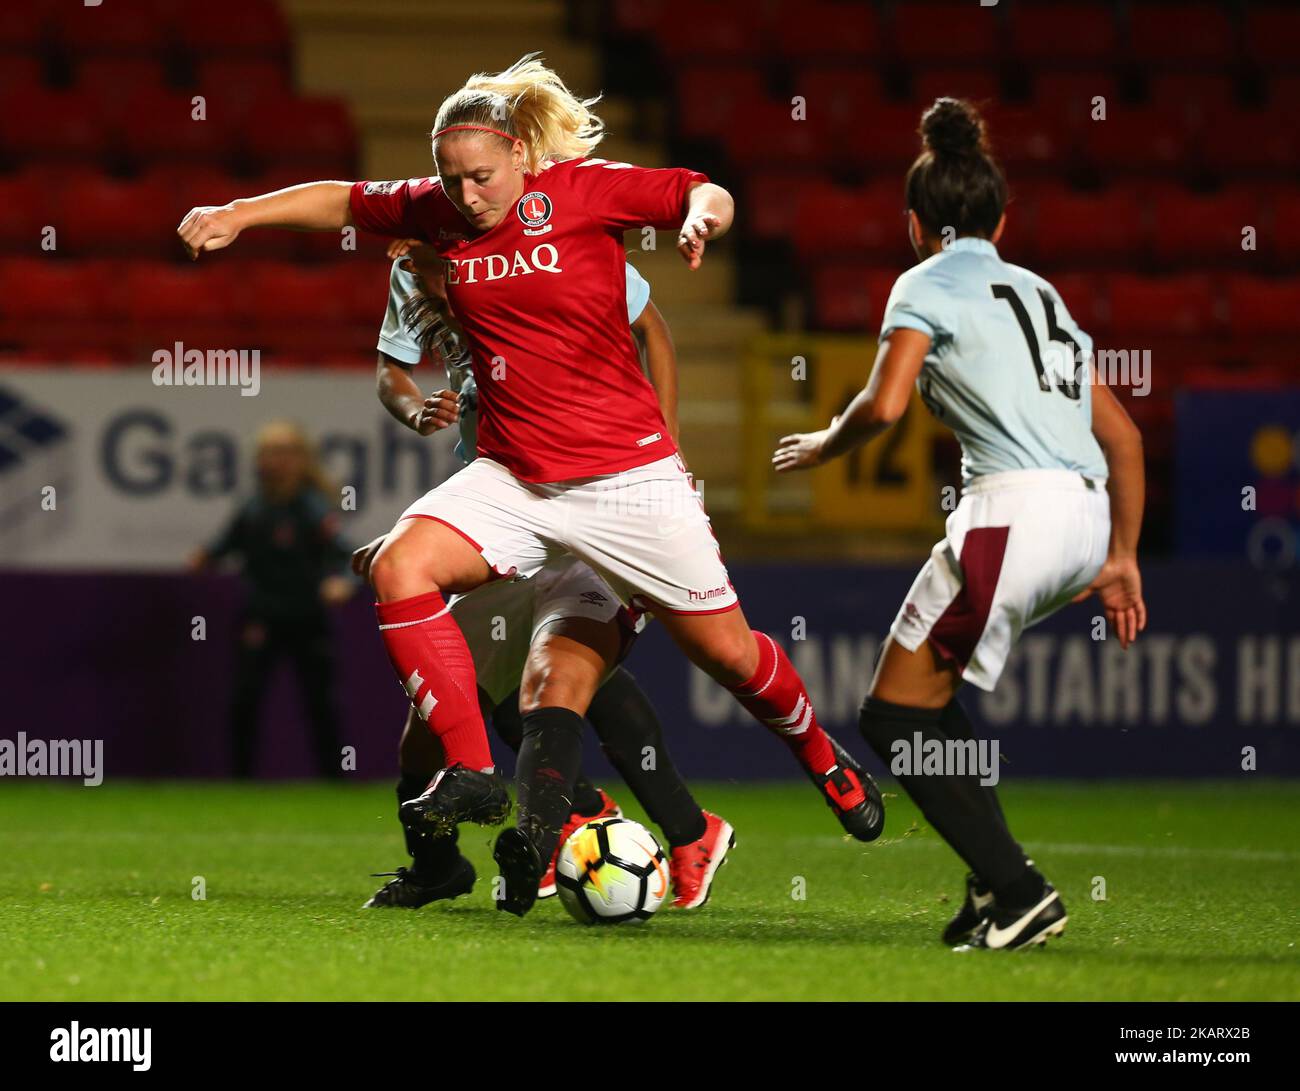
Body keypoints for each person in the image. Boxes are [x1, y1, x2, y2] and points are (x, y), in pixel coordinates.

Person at [177, 51, 883, 917]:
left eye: (480, 177)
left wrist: (702, 216)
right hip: (513, 477)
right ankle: (474, 773)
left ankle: (821, 754)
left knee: (729, 653)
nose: (467, 195)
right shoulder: (436, 217)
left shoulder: (583, 193)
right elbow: (339, 200)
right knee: (401, 565)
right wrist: (237, 214)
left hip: (628, 480)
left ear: (521, 155)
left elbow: (703, 188)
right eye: (452, 179)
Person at [774, 98, 1147, 951]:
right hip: (1085, 522)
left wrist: (827, 444)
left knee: (893, 717)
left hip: (1012, 516)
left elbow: (887, 401)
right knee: (926, 701)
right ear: (1002, 219)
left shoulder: (922, 282)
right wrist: (1123, 555)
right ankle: (992, 879)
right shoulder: (1043, 293)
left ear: (915, 224)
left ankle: (1019, 891)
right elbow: (1122, 436)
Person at [359, 243, 733, 912]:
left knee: (554, 671)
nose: (431, 284)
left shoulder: (548, 241)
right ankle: (456, 857)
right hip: (500, 495)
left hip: (590, 484)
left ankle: (597, 820)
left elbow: (649, 324)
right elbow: (392, 370)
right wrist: (413, 407)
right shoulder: (411, 268)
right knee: (444, 712)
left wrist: (665, 455)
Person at [190, 420, 354, 778]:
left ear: (300, 459)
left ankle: (334, 779)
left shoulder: (312, 508)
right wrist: (205, 557)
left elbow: (346, 556)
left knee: (320, 703)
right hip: (260, 616)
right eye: (267, 453)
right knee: (244, 699)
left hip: (307, 617)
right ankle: (241, 780)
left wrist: (341, 583)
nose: (273, 461)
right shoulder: (253, 506)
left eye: (282, 452)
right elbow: (225, 544)